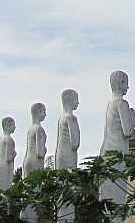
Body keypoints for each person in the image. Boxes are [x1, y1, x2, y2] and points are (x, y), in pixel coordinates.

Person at [100, 71, 135, 221]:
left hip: (106, 152)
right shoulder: (121, 103)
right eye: (126, 83)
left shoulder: (109, 104)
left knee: (107, 198)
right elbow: (127, 131)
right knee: (118, 198)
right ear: (120, 83)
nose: (128, 86)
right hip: (117, 155)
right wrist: (133, 117)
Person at [55, 89, 81, 222]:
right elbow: (75, 143)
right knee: (69, 190)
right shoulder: (71, 118)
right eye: (77, 99)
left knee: (62, 190)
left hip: (60, 155)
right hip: (69, 156)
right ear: (70, 100)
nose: (78, 102)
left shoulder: (61, 118)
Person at [0, 117, 16, 191]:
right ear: (9, 125)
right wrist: (14, 154)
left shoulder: (2, 138)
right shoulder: (9, 139)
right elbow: (8, 158)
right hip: (5, 168)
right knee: (4, 190)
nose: (15, 127)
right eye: (13, 125)